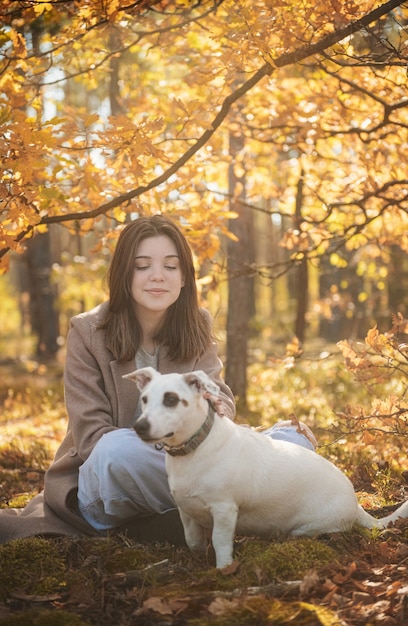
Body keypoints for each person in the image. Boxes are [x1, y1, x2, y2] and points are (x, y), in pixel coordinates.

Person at [0, 214, 316, 544]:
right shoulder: (87, 331)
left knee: (296, 438)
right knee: (115, 450)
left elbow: (219, 399)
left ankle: (167, 522)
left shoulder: (197, 323)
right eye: (142, 266)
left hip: (193, 461)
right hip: (113, 476)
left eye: (170, 266)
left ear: (183, 277)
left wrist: (213, 413)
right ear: (125, 273)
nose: (157, 277)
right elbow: (92, 438)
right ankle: (232, 508)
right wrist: (183, 451)